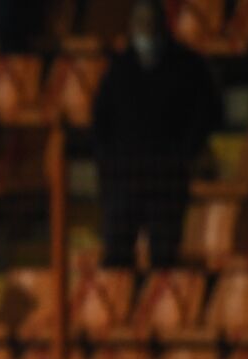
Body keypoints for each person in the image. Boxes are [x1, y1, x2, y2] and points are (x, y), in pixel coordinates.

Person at [91, 0, 220, 269]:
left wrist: (183, 153)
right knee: (116, 253)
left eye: (151, 22)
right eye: (141, 23)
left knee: (165, 255)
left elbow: (208, 113)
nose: (146, 29)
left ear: (163, 25)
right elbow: (101, 120)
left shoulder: (188, 66)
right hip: (124, 177)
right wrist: (110, 161)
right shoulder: (119, 68)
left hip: (167, 177)